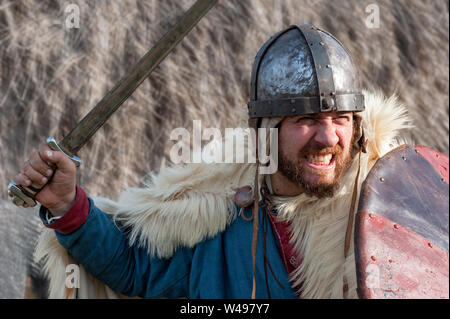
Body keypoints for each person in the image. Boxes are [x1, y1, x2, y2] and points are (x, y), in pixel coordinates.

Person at [16, 24, 410, 299]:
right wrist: (68, 206)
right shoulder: (217, 208)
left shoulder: (393, 209)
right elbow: (134, 265)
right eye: (305, 120)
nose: (327, 138)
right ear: (265, 130)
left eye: (339, 119)